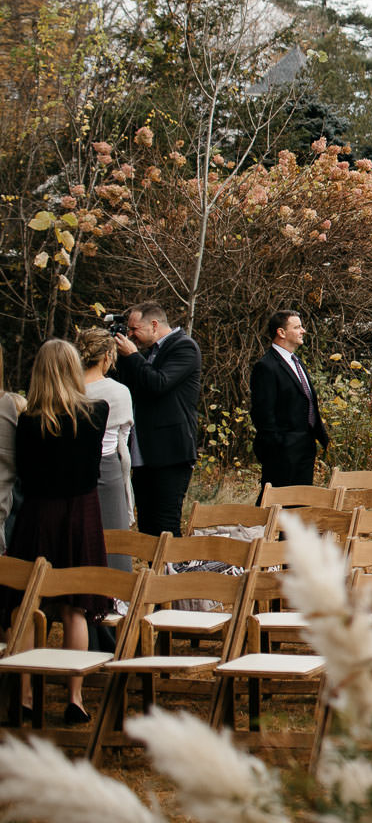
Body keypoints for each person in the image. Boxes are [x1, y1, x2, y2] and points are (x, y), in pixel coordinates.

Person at [8, 340, 110, 723]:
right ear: (73, 369)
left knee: (26, 604)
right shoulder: (96, 412)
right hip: (80, 512)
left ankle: (26, 695)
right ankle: (75, 697)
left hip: (37, 513)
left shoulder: (29, 420)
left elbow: (24, 472)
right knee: (75, 609)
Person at [112, 300, 201, 538]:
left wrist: (131, 355)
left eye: (134, 330)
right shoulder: (149, 353)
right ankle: (153, 575)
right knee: (147, 529)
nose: (131, 336)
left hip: (171, 454)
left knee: (165, 527)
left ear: (153, 325)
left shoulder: (184, 348)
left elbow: (158, 384)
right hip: (144, 454)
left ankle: (171, 575)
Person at [249, 310, 328, 491]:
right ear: (281, 332)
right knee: (275, 505)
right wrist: (278, 446)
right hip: (282, 451)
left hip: (305, 448)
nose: (303, 331)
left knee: (299, 507)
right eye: (297, 327)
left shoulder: (297, 362)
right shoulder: (266, 366)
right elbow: (263, 413)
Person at [75, 329, 134, 569]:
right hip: (108, 465)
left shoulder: (69, 388)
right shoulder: (120, 392)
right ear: (108, 357)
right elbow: (124, 438)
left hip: (74, 468)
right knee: (112, 538)